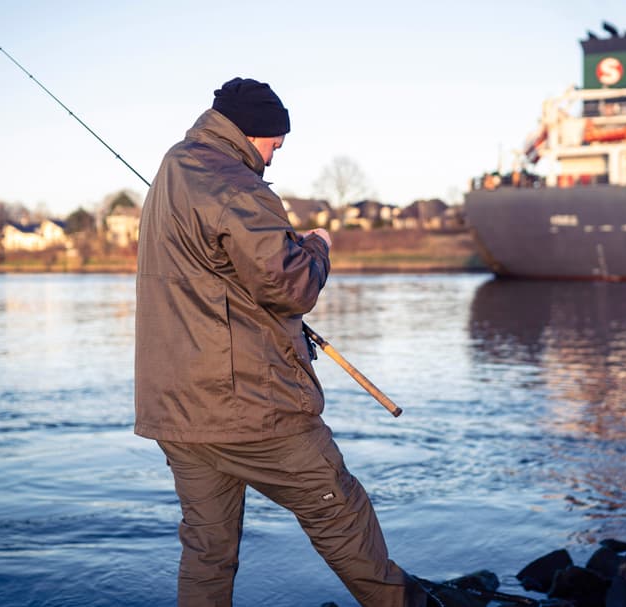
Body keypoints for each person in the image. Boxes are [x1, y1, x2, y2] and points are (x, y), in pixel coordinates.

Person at [134, 77, 429, 607]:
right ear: (252, 133)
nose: (274, 156)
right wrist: (318, 247)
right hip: (250, 408)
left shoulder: (173, 168)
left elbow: (226, 277)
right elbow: (291, 285)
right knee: (340, 512)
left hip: (177, 411)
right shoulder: (235, 185)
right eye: (274, 142)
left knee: (208, 550)